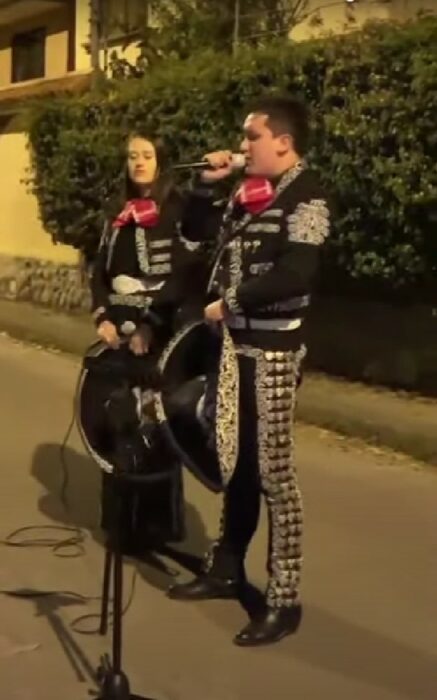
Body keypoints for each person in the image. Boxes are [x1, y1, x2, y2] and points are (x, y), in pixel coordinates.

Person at [166, 95, 332, 646]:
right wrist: (206, 188)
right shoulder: (246, 196)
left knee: (274, 475)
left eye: (251, 137)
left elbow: (296, 274)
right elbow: (191, 244)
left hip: (275, 353)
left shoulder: (307, 198)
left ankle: (284, 600)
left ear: (283, 142)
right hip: (231, 349)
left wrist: (231, 302)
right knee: (234, 462)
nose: (242, 147)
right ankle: (226, 568)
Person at [84, 131, 203, 555]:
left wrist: (151, 324)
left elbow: (186, 275)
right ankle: (122, 527)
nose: (138, 162)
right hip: (118, 333)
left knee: (155, 428)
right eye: (131, 156)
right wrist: (103, 317)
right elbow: (98, 270)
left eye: (146, 155)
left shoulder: (179, 209)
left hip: (161, 335)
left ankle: (156, 529)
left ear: (161, 160)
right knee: (118, 424)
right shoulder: (116, 211)